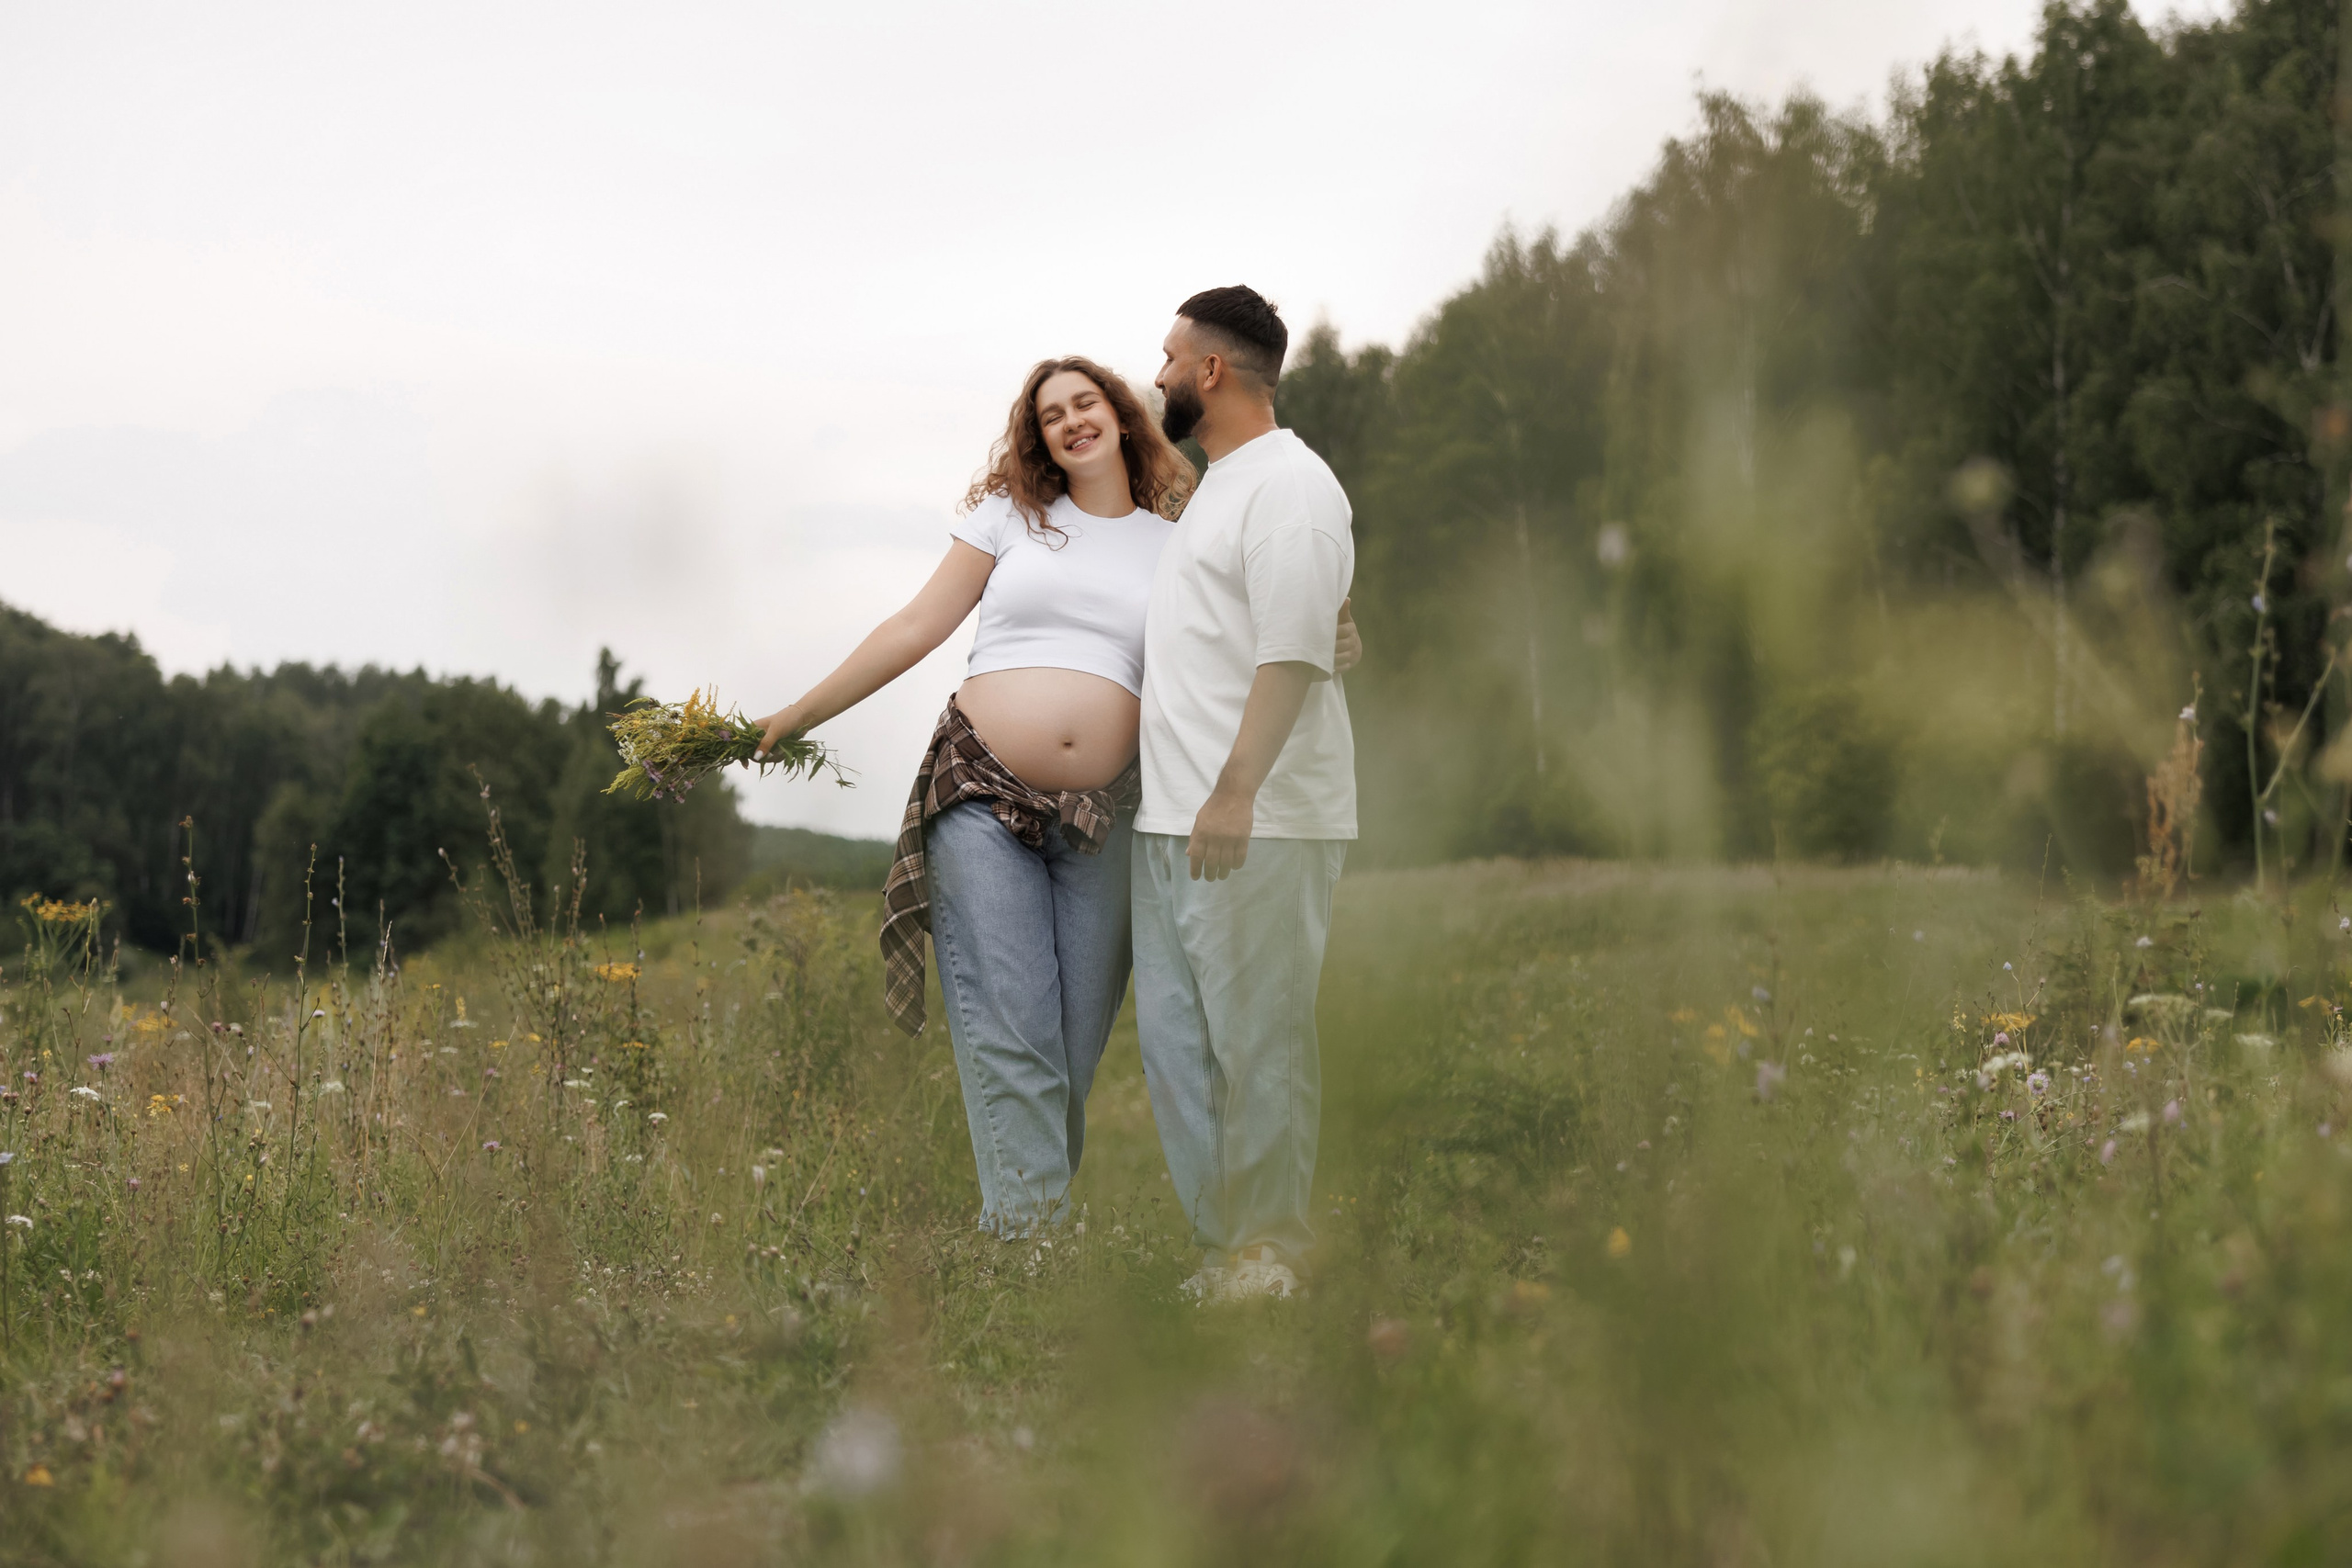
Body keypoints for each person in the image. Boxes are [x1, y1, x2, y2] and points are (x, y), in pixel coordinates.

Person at [752, 355, 1359, 1239]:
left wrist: (1332, 626)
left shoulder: (1175, 538)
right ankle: (1027, 1245)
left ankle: (1030, 1227)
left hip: (1101, 816)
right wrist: (802, 712)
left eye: (1085, 403)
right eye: (1048, 415)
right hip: (981, 790)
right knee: (1013, 1031)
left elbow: (1259, 605)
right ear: (1036, 439)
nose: (1069, 421)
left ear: (1119, 416)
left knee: (1067, 1052)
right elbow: (916, 627)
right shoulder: (1010, 518)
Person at [1133, 286, 1356, 1303]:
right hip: (1172, 820)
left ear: (1210, 372)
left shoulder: (1291, 488)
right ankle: (1226, 1253)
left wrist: (1236, 792)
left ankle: (1271, 1252)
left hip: (1251, 820)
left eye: (1170, 357)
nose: (1160, 374)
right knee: (1184, 1051)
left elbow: (1298, 648)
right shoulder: (1212, 488)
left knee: (1258, 1041)